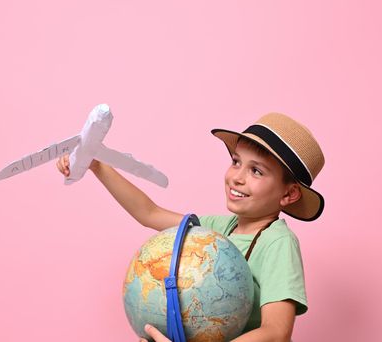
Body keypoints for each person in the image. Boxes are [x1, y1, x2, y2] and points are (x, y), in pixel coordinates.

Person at [56, 112, 325, 342]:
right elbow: (149, 213)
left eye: (256, 171)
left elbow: (276, 332)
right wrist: (97, 165)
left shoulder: (277, 242)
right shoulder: (219, 230)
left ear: (289, 194)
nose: (237, 178)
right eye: (236, 162)